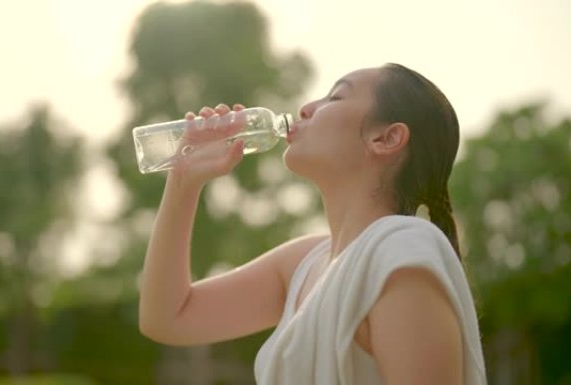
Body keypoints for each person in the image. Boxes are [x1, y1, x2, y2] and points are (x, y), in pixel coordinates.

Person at [138, 63, 487, 384]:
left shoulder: (401, 251)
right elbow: (168, 317)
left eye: (335, 96)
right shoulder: (303, 264)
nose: (306, 108)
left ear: (386, 139)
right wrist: (183, 182)